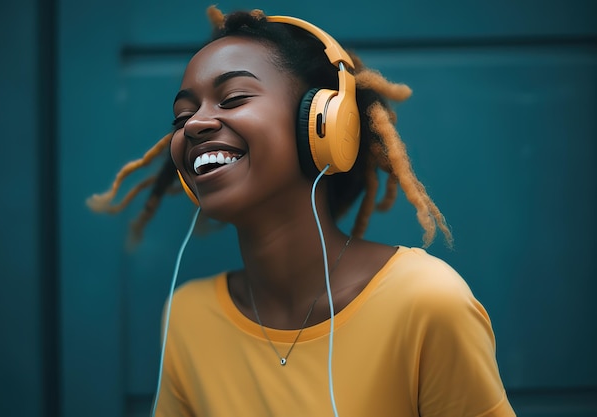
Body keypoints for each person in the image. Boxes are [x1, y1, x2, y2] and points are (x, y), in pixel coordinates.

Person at [87, 6, 515, 416]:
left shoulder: (427, 303)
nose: (195, 124)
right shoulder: (187, 316)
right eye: (183, 116)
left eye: (233, 98)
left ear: (325, 125)